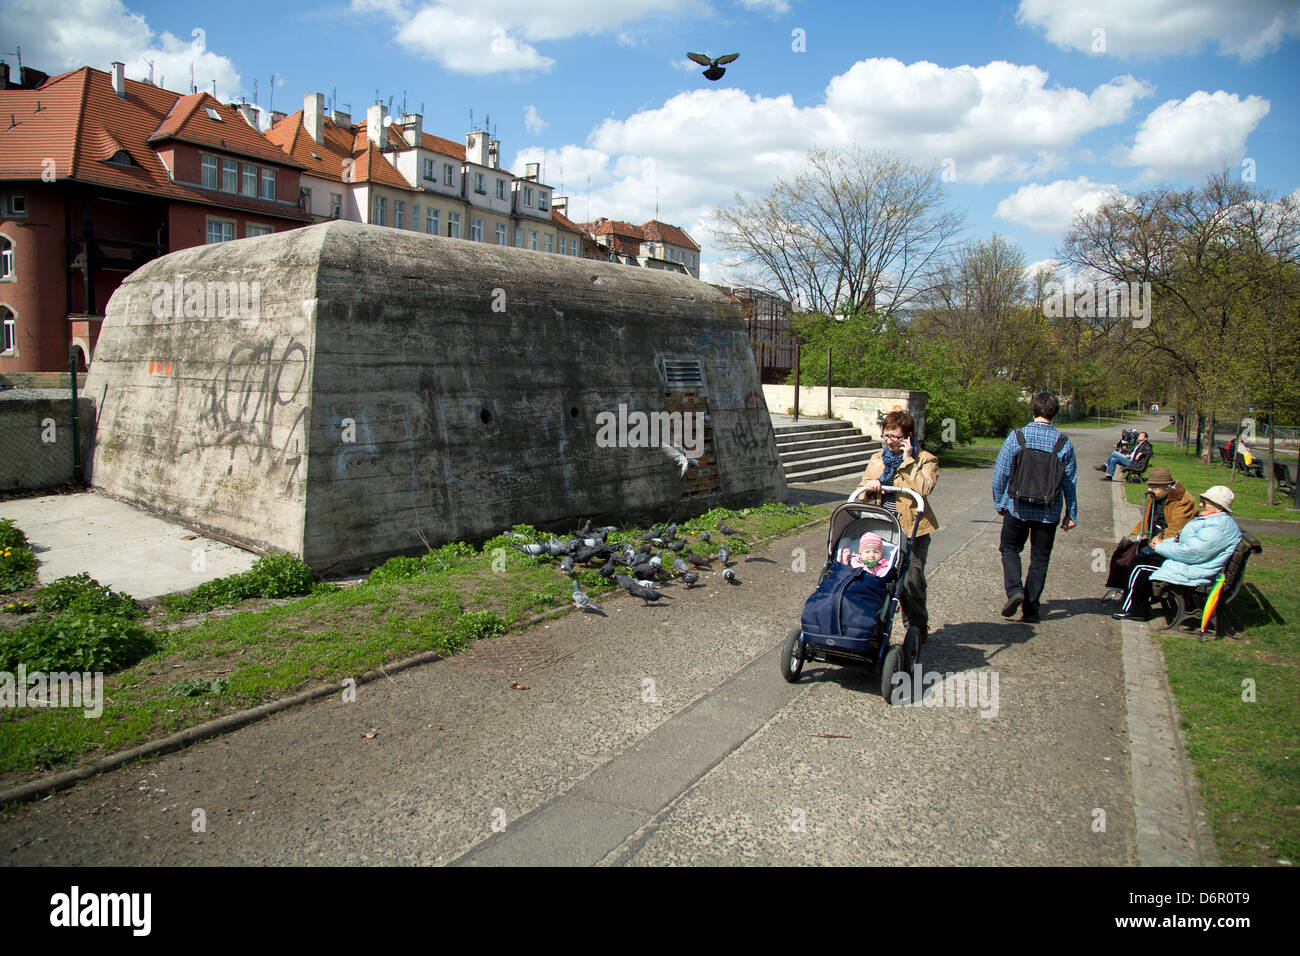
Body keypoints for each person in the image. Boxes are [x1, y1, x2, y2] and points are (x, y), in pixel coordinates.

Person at [851, 410, 938, 646]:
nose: (889, 441)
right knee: (878, 578)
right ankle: (875, 629)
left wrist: (909, 462)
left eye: (895, 436)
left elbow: (925, 488)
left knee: (912, 581)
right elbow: (860, 495)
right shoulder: (877, 459)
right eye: (886, 435)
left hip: (913, 531)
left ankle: (917, 626)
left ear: (908, 437)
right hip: (883, 529)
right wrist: (870, 488)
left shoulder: (925, 460)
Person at [991, 391, 1078, 624]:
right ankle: (1031, 610)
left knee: (1009, 548)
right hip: (1048, 512)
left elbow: (1001, 473)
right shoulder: (1063, 444)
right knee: (1039, 559)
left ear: (1033, 410)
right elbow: (1070, 482)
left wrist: (1000, 502)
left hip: (1017, 507)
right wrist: (1071, 514)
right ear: (1055, 413)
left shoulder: (1017, 437)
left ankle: (1014, 590)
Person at [1111, 486, 1242, 621]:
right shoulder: (1215, 521)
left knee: (1140, 566)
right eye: (1202, 500)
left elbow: (1192, 552)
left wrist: (1161, 547)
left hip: (1194, 569)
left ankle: (1135, 610)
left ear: (1218, 507)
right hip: (1189, 562)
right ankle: (1135, 604)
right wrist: (1162, 544)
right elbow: (1186, 542)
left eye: (1205, 502)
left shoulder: (1217, 528)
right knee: (1143, 557)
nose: (1201, 504)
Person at [1103, 467, 1198, 590]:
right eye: (1149, 486)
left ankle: (1134, 595)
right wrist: (1135, 534)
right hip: (1153, 537)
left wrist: (1156, 540)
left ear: (1166, 487)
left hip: (1170, 543)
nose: (1149, 490)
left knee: (1137, 560)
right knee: (1123, 551)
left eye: (1153, 487)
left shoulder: (1183, 501)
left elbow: (1176, 529)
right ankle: (1122, 587)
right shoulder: (1155, 496)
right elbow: (1146, 519)